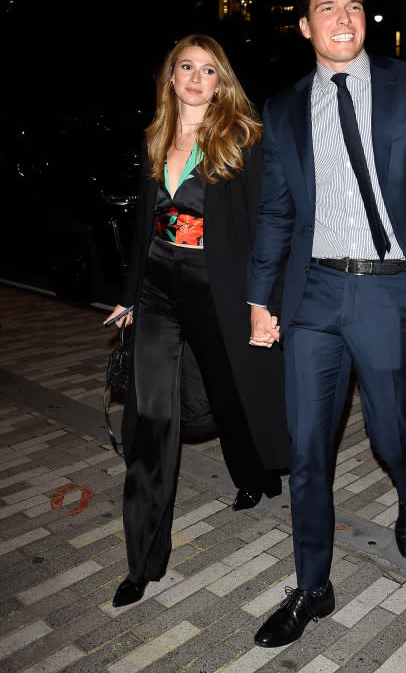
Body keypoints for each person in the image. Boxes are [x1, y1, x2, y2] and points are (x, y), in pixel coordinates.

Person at [246, 0, 406, 647]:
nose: (344, 18)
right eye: (327, 8)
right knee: (309, 449)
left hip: (388, 290)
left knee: (390, 435)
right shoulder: (285, 108)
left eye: (353, 6)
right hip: (313, 291)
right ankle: (312, 587)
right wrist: (261, 296)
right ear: (304, 26)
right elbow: (277, 212)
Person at [105, 34, 290, 608]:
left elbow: (266, 229)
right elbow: (143, 225)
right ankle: (143, 560)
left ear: (221, 81)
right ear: (170, 76)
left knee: (232, 397)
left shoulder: (242, 140)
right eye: (185, 67)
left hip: (218, 291)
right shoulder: (154, 138)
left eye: (207, 70)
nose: (194, 78)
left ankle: (254, 474)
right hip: (160, 291)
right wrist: (131, 294)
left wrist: (265, 303)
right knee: (151, 419)